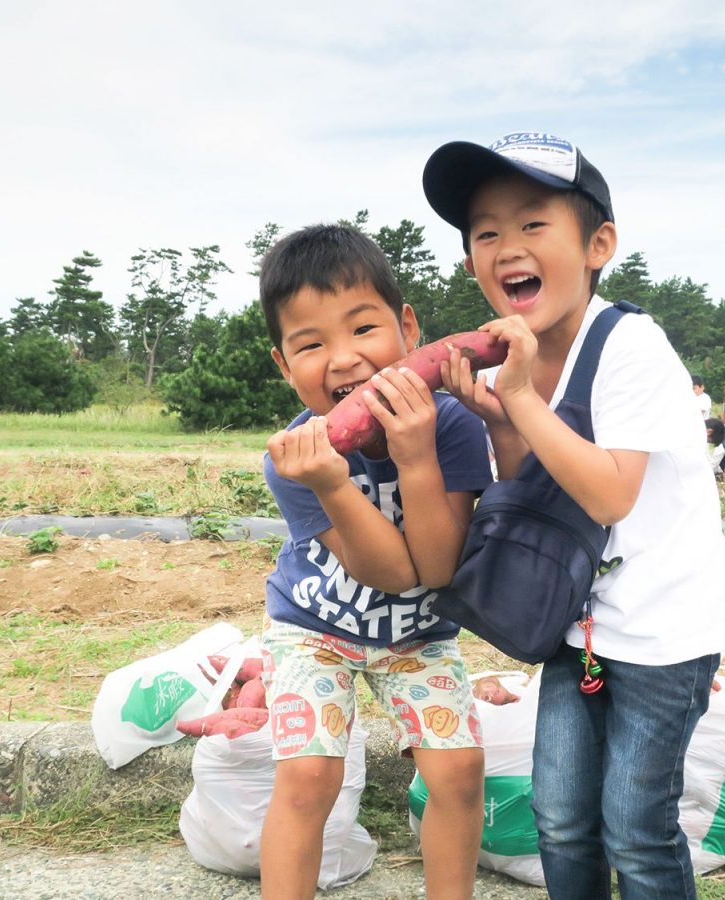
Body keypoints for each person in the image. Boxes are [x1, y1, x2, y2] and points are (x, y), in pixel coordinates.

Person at [423, 131, 725, 899]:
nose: (508, 246)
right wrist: (505, 422)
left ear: (598, 243)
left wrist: (520, 399)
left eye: (534, 224)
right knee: (561, 815)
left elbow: (609, 494)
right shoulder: (524, 355)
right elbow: (536, 491)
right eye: (486, 231)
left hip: (665, 637)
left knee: (636, 825)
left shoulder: (631, 345)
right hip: (581, 626)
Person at [255, 224, 489, 900]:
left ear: (408, 330)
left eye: (363, 329)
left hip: (419, 634)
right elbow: (386, 569)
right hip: (312, 628)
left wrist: (414, 453)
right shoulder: (295, 459)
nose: (344, 359)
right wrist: (329, 479)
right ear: (283, 365)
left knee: (459, 770)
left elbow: (435, 568)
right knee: (307, 778)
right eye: (311, 344)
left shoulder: (451, 426)